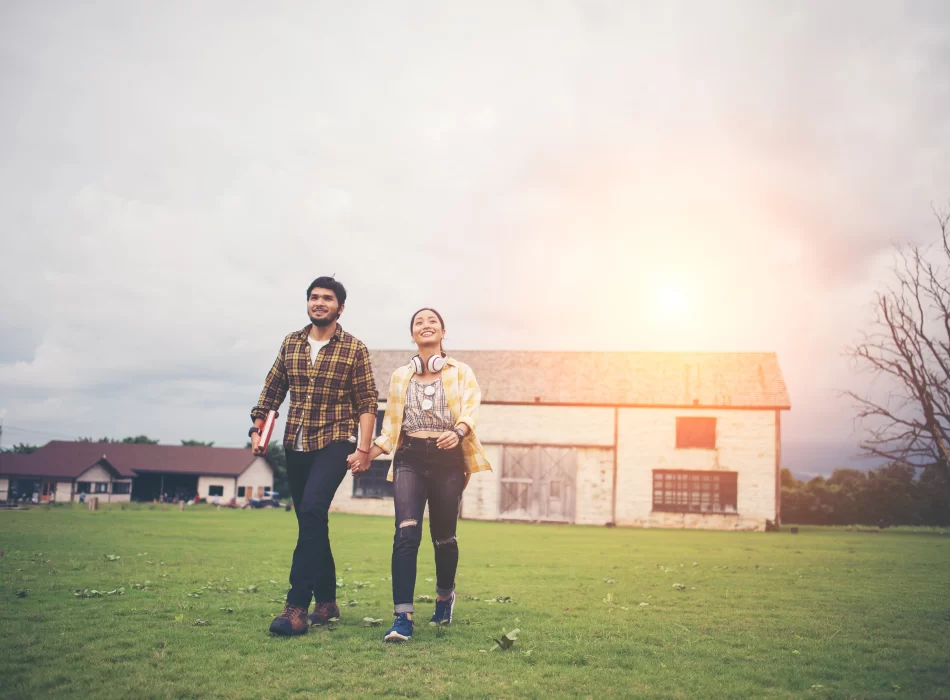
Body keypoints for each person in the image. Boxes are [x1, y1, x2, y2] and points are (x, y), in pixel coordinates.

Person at [249, 276, 378, 636]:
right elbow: (271, 390)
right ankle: (328, 601)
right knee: (311, 521)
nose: (319, 302)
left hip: (336, 437)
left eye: (327, 298)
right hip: (296, 440)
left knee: (310, 510)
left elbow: (367, 401)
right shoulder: (291, 343)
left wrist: (364, 449)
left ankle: (296, 607)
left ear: (340, 307)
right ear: (308, 303)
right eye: (314, 297)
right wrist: (257, 429)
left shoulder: (354, 348)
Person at [358, 308, 492, 642]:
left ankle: (445, 597)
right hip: (410, 458)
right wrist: (364, 454)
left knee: (444, 537)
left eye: (432, 321)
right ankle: (402, 617)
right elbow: (390, 428)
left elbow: (472, 408)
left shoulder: (461, 372)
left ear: (442, 331)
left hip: (449, 458)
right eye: (419, 322)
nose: (426, 325)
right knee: (405, 533)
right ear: (413, 335)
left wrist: (458, 432)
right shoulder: (401, 377)